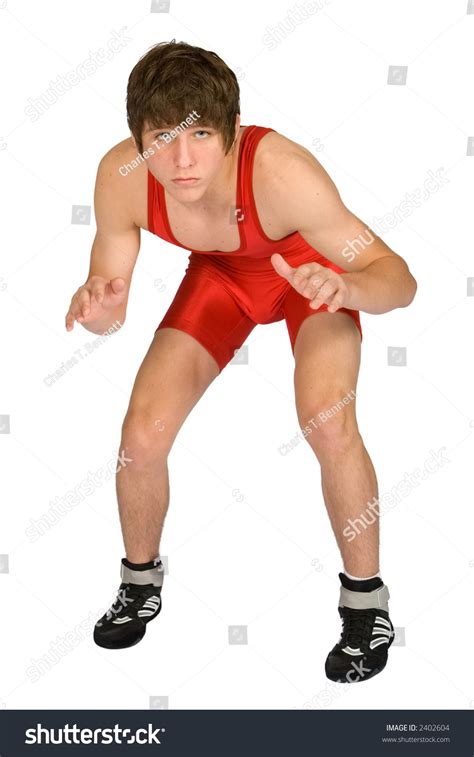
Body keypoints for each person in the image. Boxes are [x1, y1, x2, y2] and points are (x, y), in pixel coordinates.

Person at [65, 40, 417, 683]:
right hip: (222, 280)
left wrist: (349, 289)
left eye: (200, 134)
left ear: (230, 130)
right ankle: (139, 583)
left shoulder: (281, 173)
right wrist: (99, 304)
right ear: (137, 138)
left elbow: (398, 277)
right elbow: (111, 307)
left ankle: (367, 606)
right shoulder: (122, 177)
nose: (182, 159)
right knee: (140, 436)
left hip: (312, 279)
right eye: (161, 137)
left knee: (327, 420)